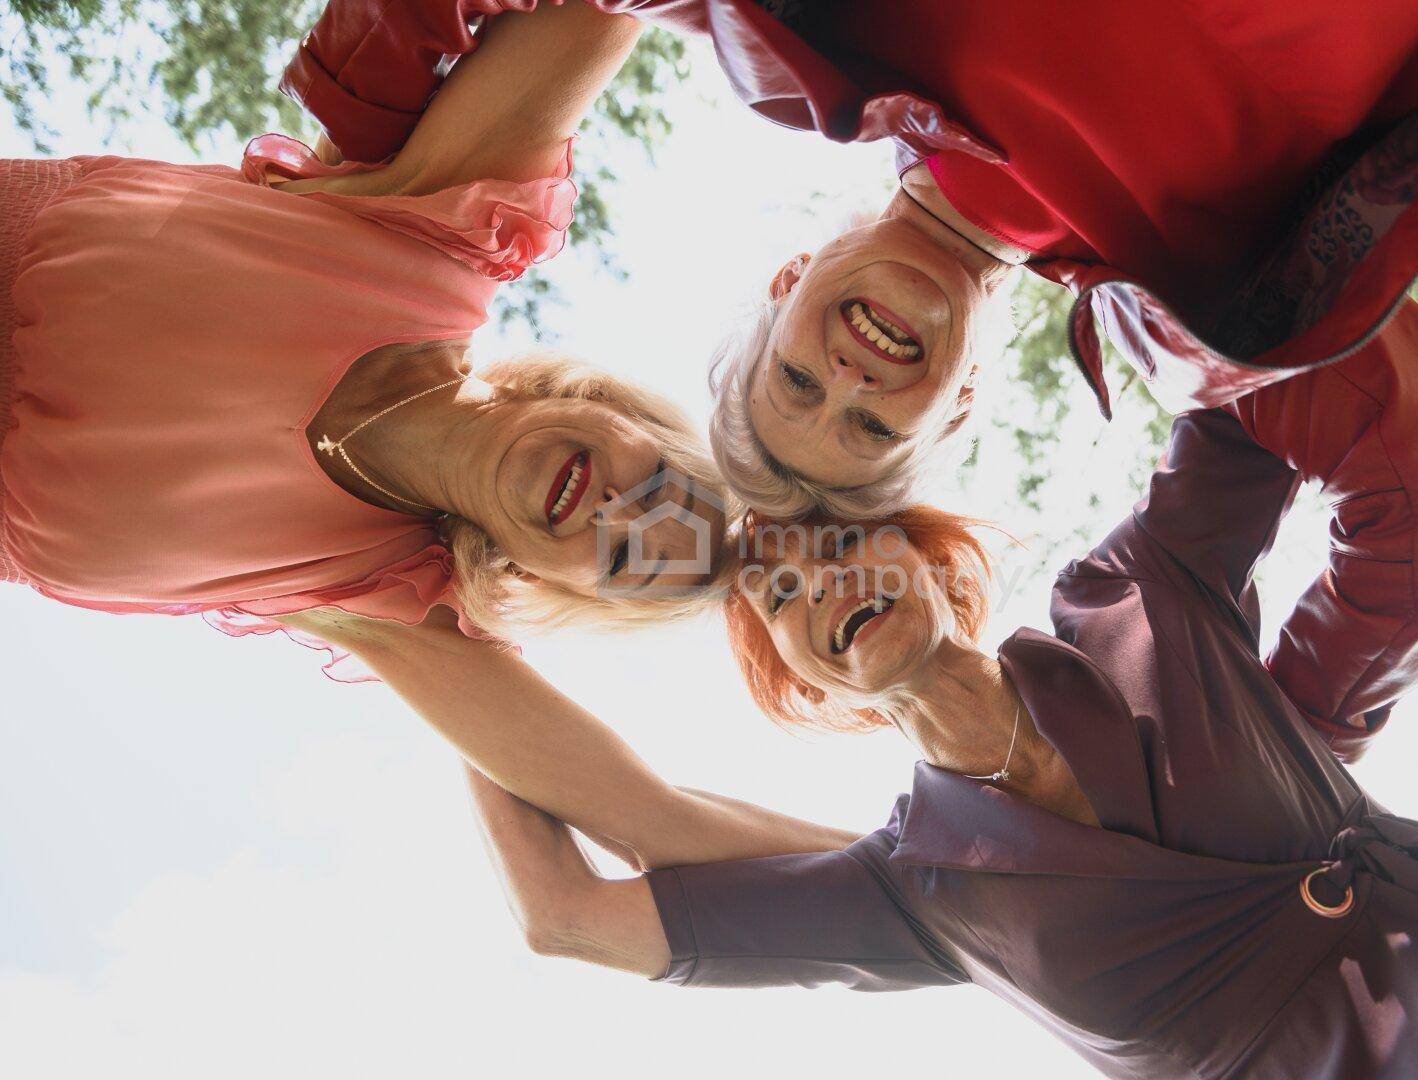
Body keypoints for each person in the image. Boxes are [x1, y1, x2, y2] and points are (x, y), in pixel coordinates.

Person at [457, 317, 1418, 1078]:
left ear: (922, 553)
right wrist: (435, 602)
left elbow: (1253, 362)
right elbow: (569, 914)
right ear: (798, 672)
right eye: (781, 595)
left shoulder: (1138, 591)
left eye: (841, 540)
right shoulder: (916, 893)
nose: (824, 583)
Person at [2, 2, 855, 869]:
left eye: (625, 558)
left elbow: (652, 817)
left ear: (552, 582)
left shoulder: (381, 600)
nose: (613, 511)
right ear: (620, 411)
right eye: (656, 485)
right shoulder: (428, 241)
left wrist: (941, 878)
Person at [280, 0, 1418, 516]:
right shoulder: (1197, 312)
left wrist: (353, 146)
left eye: (796, 384)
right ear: (962, 402)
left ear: (783, 286)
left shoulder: (791, 55)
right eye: (871, 424)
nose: (851, 381)